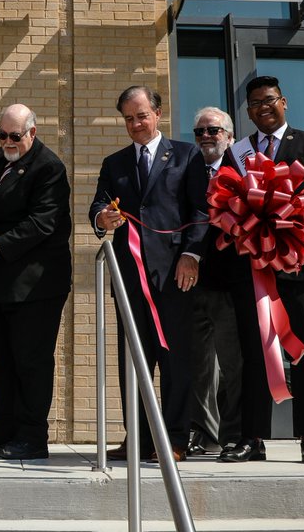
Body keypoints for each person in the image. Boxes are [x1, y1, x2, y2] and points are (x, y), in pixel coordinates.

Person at [211, 75, 304, 466]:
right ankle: (252, 438)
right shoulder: (238, 151)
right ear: (247, 112)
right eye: (254, 104)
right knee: (254, 352)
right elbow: (222, 199)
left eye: (268, 100)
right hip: (251, 268)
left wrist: (285, 217)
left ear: (283, 101)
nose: (262, 108)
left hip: (294, 264)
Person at [89, 86, 208, 462]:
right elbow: (98, 204)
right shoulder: (114, 163)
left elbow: (201, 212)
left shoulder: (187, 155)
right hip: (128, 278)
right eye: (128, 118)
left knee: (174, 360)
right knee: (133, 360)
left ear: (157, 113)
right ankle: (137, 438)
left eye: (141, 116)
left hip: (175, 275)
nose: (136, 124)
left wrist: (191, 254)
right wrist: (102, 218)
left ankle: (174, 439)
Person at [0, 104, 72, 461]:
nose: (7, 142)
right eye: (2, 135)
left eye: (15, 136)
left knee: (31, 361)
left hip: (35, 284)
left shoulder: (49, 167)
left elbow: (43, 222)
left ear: (32, 133)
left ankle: (32, 436)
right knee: (1, 360)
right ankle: (5, 429)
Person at [187, 107, 242, 457]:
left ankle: (234, 434)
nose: (207, 136)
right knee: (196, 365)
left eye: (214, 130)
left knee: (233, 364)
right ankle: (199, 432)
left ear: (230, 137)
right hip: (190, 282)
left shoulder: (245, 171)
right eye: (200, 132)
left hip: (230, 283)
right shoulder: (186, 171)